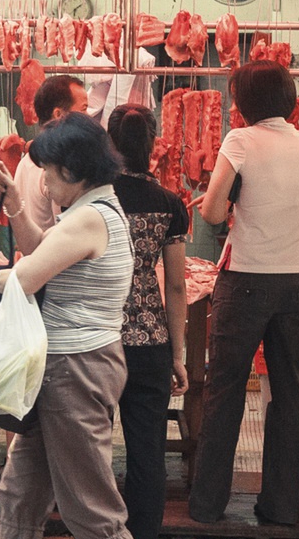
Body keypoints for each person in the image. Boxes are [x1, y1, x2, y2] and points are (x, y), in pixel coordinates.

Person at [0, 112, 134, 539]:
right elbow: (38, 251)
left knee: (90, 509)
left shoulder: (90, 218)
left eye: (47, 173)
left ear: (70, 169)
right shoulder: (88, 211)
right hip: (66, 365)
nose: (44, 183)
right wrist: (15, 205)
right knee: (21, 494)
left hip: (76, 368)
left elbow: (27, 277)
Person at [188, 62, 299, 526]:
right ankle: (281, 507)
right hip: (297, 284)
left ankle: (207, 507)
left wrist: (226, 202)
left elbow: (210, 211)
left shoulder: (240, 140)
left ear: (246, 104)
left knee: (225, 393)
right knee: (289, 395)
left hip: (246, 281)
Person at [106, 104, 191, 539]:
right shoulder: (170, 205)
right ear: (152, 146)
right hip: (151, 343)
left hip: (99, 340)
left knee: (92, 450)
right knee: (147, 453)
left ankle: (97, 529)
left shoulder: (95, 199)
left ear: (109, 145)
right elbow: (176, 288)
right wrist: (179, 355)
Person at [10, 75, 90, 231]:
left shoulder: (25, 162)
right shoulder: (57, 166)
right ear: (59, 114)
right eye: (84, 109)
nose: (88, 117)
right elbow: (67, 232)